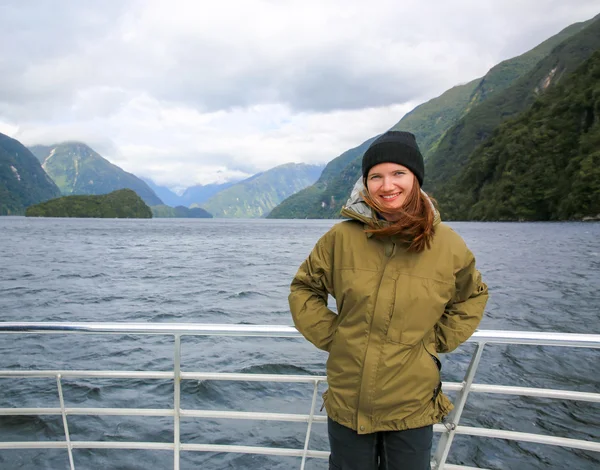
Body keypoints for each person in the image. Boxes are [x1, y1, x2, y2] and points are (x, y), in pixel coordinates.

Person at [289, 130, 488, 470]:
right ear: (365, 184)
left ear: (416, 179)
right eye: (375, 176)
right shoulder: (340, 238)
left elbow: (473, 296)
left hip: (411, 403)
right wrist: (335, 337)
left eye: (398, 173)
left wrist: (435, 341)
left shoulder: (447, 244)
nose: (387, 185)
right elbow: (304, 289)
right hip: (348, 398)